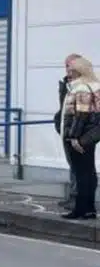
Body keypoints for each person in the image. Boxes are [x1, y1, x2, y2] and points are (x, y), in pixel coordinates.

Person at [59, 54, 100, 220]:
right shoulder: (95, 85)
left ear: (78, 70)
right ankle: (89, 209)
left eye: (70, 68)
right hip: (90, 136)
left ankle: (80, 209)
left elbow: (81, 114)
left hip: (79, 137)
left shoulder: (81, 87)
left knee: (81, 173)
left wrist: (74, 137)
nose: (68, 71)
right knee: (89, 172)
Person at [57, 54, 82, 210]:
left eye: (70, 66)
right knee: (73, 165)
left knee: (80, 167)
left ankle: (79, 199)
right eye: (66, 66)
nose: (68, 69)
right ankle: (73, 197)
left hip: (78, 133)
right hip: (67, 130)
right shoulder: (66, 84)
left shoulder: (84, 85)